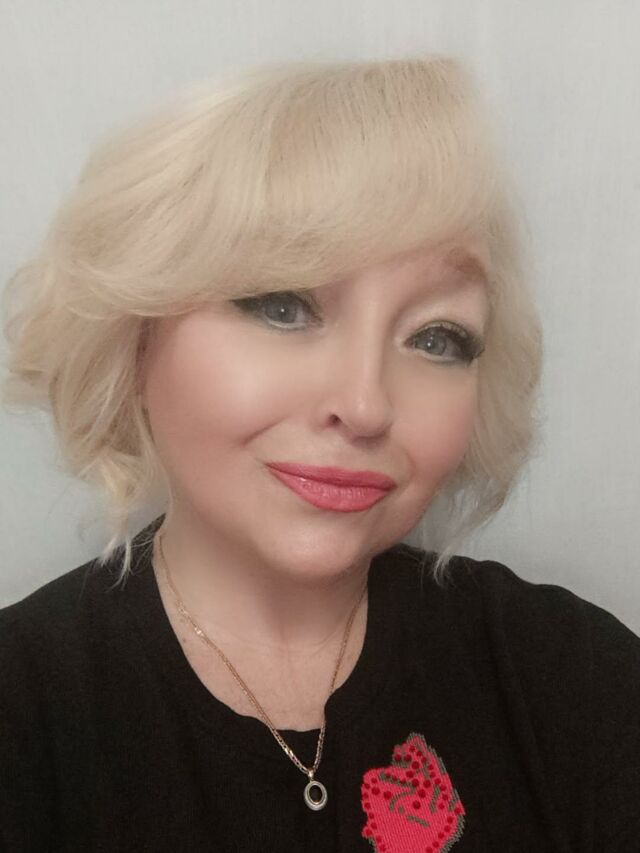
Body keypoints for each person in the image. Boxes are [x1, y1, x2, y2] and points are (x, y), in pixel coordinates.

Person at [0, 55, 638, 853]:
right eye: (282, 305)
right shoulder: (25, 712)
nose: (366, 405)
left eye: (437, 337)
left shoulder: (573, 678)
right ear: (136, 337)